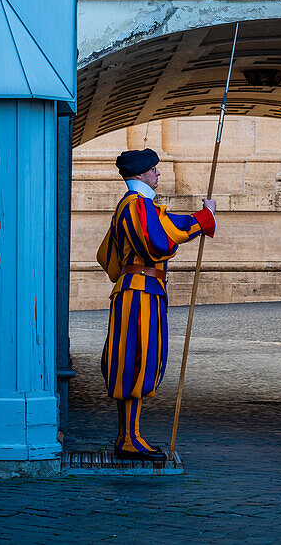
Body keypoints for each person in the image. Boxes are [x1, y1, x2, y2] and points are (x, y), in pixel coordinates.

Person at [96, 147, 216, 462]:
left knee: (132, 360)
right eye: (154, 169)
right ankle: (130, 439)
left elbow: (109, 256)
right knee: (138, 360)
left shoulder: (130, 207)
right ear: (141, 173)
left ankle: (128, 436)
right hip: (141, 292)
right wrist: (204, 219)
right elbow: (158, 240)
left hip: (135, 289)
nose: (158, 173)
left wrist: (203, 219)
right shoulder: (137, 205)